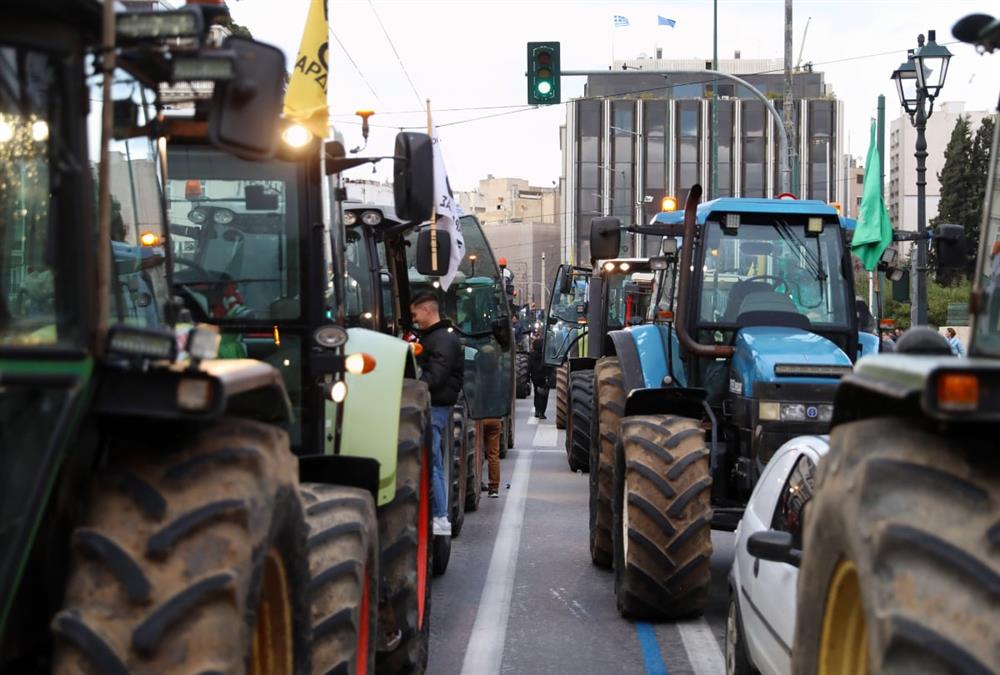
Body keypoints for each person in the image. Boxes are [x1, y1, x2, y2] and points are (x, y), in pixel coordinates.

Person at [410, 292, 464, 536]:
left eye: (415, 314)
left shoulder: (441, 339)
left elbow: (436, 375)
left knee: (432, 461)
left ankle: (440, 516)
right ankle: (439, 515)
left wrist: (414, 382)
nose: (414, 319)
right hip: (435, 403)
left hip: (436, 405)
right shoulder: (436, 337)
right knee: (434, 460)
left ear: (427, 310)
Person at [528, 335, 554, 418]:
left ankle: (537, 410)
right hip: (545, 378)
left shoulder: (531, 355)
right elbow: (550, 368)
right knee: (544, 396)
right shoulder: (547, 356)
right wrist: (550, 379)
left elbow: (529, 367)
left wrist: (529, 377)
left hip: (535, 378)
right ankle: (542, 412)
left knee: (537, 394)